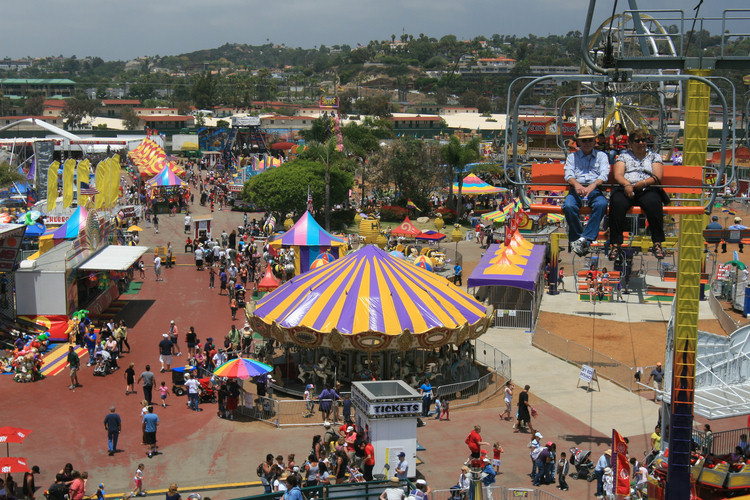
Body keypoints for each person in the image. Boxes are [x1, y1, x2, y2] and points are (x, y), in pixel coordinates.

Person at [610, 128, 667, 260]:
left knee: (654, 202)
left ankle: (657, 243)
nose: (641, 143)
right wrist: (627, 184)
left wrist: (643, 183)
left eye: (644, 140)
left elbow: (658, 176)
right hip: (627, 188)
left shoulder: (654, 156)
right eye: (637, 140)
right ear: (630, 143)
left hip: (646, 188)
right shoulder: (623, 157)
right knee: (617, 202)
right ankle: (616, 243)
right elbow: (618, 174)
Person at [562, 126, 610, 257]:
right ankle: (580, 239)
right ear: (579, 143)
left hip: (594, 189)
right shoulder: (572, 157)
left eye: (590, 140)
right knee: (569, 206)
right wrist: (577, 185)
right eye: (584, 141)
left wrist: (592, 186)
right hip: (576, 188)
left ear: (595, 142)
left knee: (601, 204)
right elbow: (569, 174)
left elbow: (604, 175)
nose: (587, 143)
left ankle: (583, 239)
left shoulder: (602, 156)